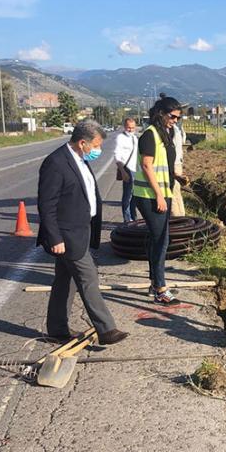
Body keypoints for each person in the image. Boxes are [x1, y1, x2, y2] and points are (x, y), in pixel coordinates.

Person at [37, 119, 129, 345]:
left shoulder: (78, 158)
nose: (98, 150)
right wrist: (55, 238)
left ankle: (57, 330)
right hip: (67, 235)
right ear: (82, 142)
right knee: (89, 277)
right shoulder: (56, 163)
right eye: (95, 146)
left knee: (64, 282)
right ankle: (106, 330)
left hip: (81, 230)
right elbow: (46, 205)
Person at [132, 96, 187, 305]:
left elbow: (165, 163)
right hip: (149, 195)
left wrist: (178, 177)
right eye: (173, 116)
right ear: (161, 113)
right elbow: (147, 166)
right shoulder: (150, 135)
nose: (175, 120)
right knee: (160, 240)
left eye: (177, 118)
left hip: (163, 192)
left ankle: (154, 282)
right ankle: (161, 289)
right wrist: (159, 195)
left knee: (157, 239)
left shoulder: (167, 133)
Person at [114, 117, 139, 222]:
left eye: (133, 128)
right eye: (129, 128)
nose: (131, 130)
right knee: (127, 197)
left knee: (134, 197)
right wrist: (123, 171)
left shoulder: (135, 138)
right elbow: (117, 156)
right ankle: (127, 220)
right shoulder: (121, 138)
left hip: (136, 170)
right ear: (124, 127)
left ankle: (134, 218)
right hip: (127, 169)